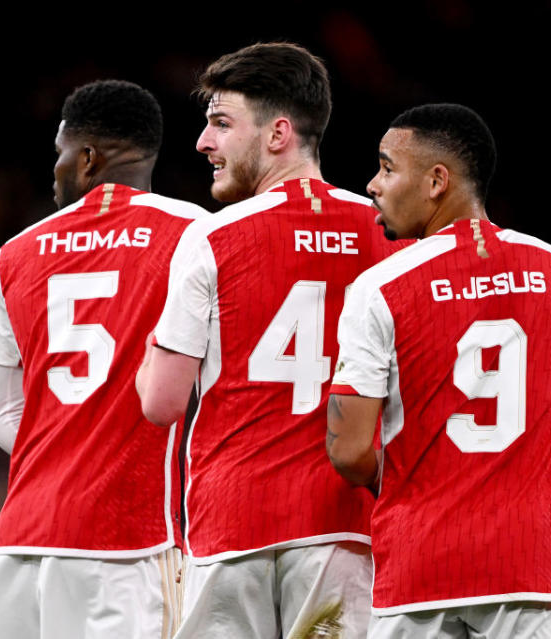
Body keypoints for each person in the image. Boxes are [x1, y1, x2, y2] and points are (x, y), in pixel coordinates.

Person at [325, 103, 551, 638]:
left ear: (436, 181)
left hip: (419, 574)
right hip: (529, 572)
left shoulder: (381, 288)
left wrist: (417, 488)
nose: (373, 184)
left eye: (387, 167)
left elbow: (350, 450)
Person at [135, 42, 409, 638]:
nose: (204, 143)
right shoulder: (388, 236)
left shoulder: (211, 238)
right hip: (347, 529)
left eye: (221, 124)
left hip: (234, 526)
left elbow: (160, 403)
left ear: (279, 133)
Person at [0, 79, 207, 639]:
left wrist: (69, 447)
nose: (55, 171)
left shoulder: (15, 253)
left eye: (59, 154)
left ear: (88, 157)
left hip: (19, 546)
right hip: (128, 543)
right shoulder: (195, 235)